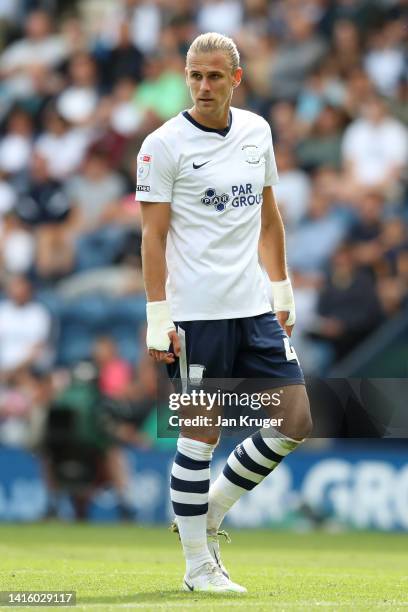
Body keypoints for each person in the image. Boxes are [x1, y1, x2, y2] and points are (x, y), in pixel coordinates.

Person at [138, 33, 312, 594]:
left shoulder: (257, 132)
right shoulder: (162, 145)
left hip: (253, 308)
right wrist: (156, 314)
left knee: (297, 420)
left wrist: (281, 291)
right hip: (194, 316)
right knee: (200, 435)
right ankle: (197, 567)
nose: (203, 86)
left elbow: (268, 217)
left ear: (236, 78)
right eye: (195, 76)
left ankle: (210, 508)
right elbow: (152, 234)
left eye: (214, 76)